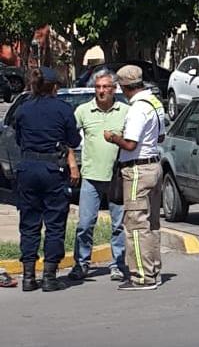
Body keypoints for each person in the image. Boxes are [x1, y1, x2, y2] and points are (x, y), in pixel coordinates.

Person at [15, 67, 81, 292]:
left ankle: (28, 276)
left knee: (29, 223)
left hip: (27, 168)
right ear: (54, 87)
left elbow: (18, 139)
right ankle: (50, 276)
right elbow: (73, 139)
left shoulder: (23, 110)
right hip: (53, 169)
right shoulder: (62, 109)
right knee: (54, 222)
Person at [104, 65, 165, 291]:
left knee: (136, 225)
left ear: (124, 86)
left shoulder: (138, 108)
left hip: (137, 170)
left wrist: (112, 138)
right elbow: (161, 135)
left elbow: (130, 143)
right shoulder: (155, 103)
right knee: (151, 224)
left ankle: (141, 276)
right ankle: (153, 271)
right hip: (153, 165)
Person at [69, 70, 129, 282]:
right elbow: (68, 138)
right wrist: (72, 165)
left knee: (118, 225)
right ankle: (82, 263)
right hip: (91, 177)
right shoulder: (83, 111)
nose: (101, 91)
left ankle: (118, 265)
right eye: (98, 87)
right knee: (85, 224)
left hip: (117, 178)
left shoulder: (125, 111)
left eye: (105, 87)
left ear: (114, 89)